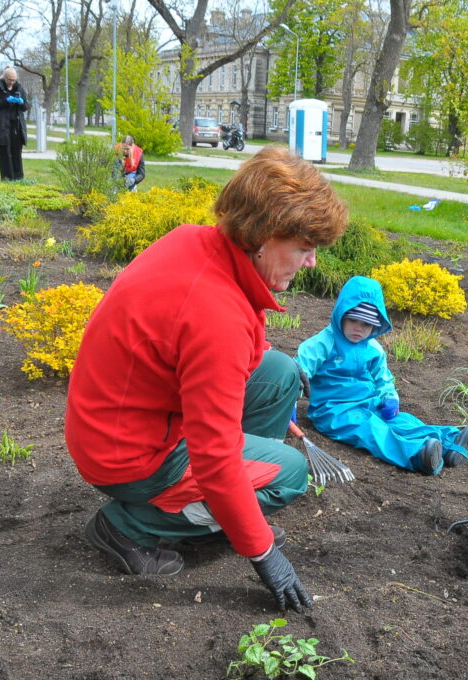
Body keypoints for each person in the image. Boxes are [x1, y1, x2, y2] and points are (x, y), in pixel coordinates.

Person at [64, 147, 348, 613]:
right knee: (290, 474)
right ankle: (128, 527)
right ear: (263, 236)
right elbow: (214, 455)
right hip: (130, 456)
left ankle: (230, 505)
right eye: (304, 247)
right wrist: (263, 553)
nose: (311, 262)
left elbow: (231, 349)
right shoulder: (213, 314)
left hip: (121, 417)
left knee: (279, 372)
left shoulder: (196, 242)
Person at [296, 275, 468, 476]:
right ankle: (417, 454)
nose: (359, 328)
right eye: (353, 320)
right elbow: (299, 372)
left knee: (403, 422)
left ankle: (450, 442)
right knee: (372, 431)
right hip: (335, 411)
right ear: (340, 314)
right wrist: (289, 400)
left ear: (375, 326)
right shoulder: (321, 345)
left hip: (370, 402)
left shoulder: (373, 349)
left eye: (366, 324)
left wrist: (389, 397)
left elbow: (382, 378)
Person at [0, 66, 30, 181]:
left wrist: (21, 102)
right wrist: (6, 100)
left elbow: (26, 106)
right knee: (5, 153)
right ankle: (6, 178)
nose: (11, 82)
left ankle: (18, 178)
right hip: (2, 126)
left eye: (13, 80)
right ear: (4, 77)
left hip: (16, 125)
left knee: (17, 152)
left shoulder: (19, 89)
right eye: (9, 79)